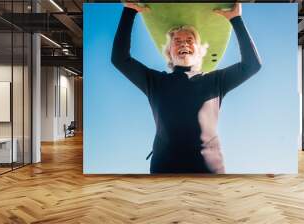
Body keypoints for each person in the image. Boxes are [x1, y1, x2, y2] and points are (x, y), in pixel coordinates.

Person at [111, 3, 262, 174]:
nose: (184, 44)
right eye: (177, 41)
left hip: (209, 170)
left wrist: (236, 19)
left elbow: (252, 65)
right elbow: (120, 59)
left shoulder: (216, 81)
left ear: (200, 51)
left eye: (190, 40)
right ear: (169, 52)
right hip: (164, 169)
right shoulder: (155, 81)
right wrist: (129, 11)